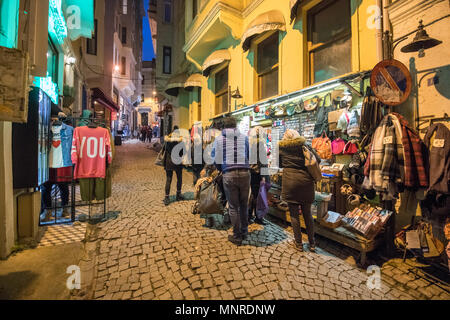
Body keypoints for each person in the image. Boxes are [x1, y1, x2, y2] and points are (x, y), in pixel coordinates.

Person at [212, 117, 250, 245]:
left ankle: (237, 236)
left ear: (223, 127)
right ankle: (244, 231)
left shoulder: (219, 139)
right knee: (244, 205)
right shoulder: (244, 137)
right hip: (245, 173)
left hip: (229, 173)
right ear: (235, 126)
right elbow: (248, 155)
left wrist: (221, 168)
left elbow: (215, 158)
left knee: (233, 206)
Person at [278, 129, 316, 252]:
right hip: (305, 182)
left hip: (290, 182)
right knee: (307, 214)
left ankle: (299, 243)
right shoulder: (305, 146)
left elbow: (279, 164)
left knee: (294, 214)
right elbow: (317, 160)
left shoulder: (281, 149)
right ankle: (312, 243)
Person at [248, 127, 269, 225]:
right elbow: (263, 161)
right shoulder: (260, 145)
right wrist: (264, 176)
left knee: (253, 194)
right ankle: (258, 217)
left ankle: (249, 215)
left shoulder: (250, 144)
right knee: (257, 195)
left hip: (251, 172)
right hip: (258, 173)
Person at [162, 126, 185, 206]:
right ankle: (178, 194)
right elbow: (183, 152)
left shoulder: (168, 140)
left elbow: (164, 149)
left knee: (169, 179)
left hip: (169, 162)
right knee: (179, 178)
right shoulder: (180, 141)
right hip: (177, 162)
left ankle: (167, 197)